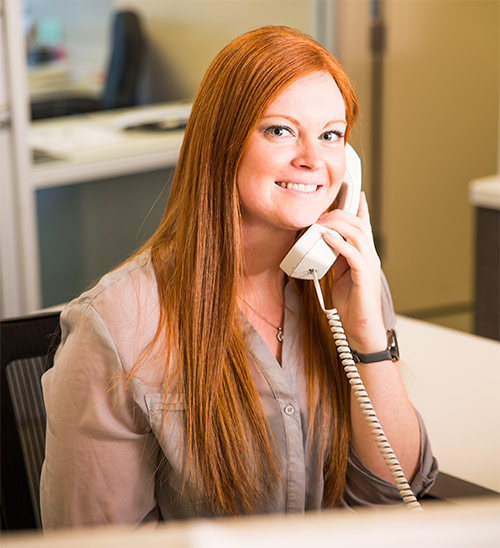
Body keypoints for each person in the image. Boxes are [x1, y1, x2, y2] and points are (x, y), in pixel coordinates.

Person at [40, 26, 437, 528]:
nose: (314, 160)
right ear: (222, 142)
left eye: (331, 135)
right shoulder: (118, 326)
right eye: (280, 130)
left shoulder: (344, 282)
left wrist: (368, 339)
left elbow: (391, 493)